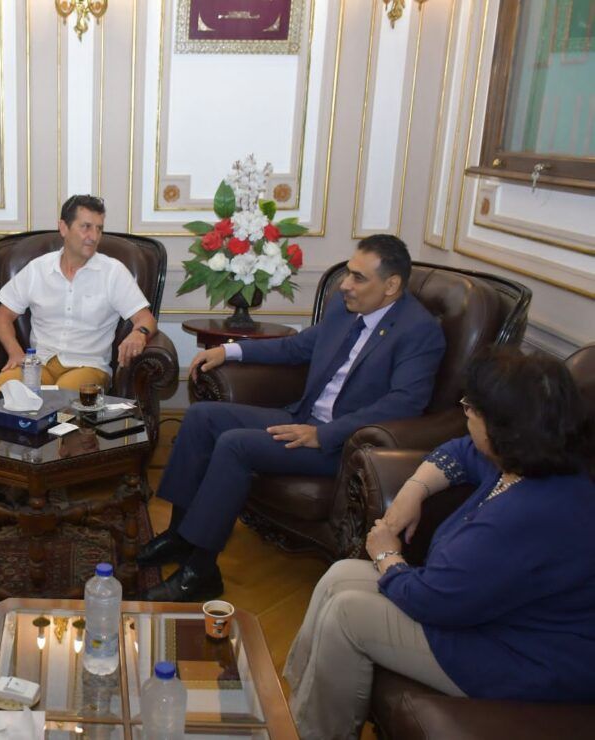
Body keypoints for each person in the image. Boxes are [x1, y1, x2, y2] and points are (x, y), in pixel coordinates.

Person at [284, 348, 595, 740]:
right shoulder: (530, 462)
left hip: (523, 655)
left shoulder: (527, 514)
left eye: (471, 408)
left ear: (501, 428)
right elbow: (459, 451)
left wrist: (386, 554)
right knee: (341, 574)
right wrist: (413, 490)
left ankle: (316, 733)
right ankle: (291, 710)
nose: (466, 414)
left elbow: (433, 601)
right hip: (494, 618)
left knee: (348, 615)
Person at [139, 234, 446, 602]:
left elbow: (403, 404)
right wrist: (229, 351)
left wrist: (324, 434)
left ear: (391, 285)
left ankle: (202, 570)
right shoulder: (345, 308)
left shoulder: (418, 331)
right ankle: (180, 536)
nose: (345, 285)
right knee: (201, 417)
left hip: (344, 445)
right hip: (302, 417)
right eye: (348, 273)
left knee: (235, 445)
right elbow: (297, 347)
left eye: (358, 277)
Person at [0, 195, 157, 392]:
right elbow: (1, 316)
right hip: (40, 363)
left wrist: (139, 333)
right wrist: (15, 352)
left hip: (87, 367)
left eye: (99, 229)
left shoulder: (113, 272)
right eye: (86, 227)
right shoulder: (38, 269)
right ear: (63, 227)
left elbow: (146, 319)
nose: (94, 236)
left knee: (64, 401)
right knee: (4, 391)